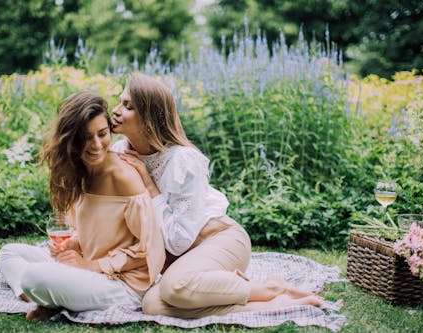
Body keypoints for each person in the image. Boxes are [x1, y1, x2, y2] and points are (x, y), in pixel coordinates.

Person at [111, 73, 324, 318]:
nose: (116, 111)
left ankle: (267, 288)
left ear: (150, 118)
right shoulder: (119, 152)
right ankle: (274, 302)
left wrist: (148, 185)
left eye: (128, 106)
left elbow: (178, 241)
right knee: (153, 305)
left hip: (219, 239)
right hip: (183, 261)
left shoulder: (182, 160)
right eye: (119, 102)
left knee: (173, 287)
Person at [0, 91, 165, 322]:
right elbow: (91, 235)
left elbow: (148, 249)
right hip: (87, 264)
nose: (96, 145)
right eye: (86, 137)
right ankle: (41, 296)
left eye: (102, 134)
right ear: (71, 138)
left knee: (34, 276)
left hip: (122, 283)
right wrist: (70, 246)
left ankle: (47, 295)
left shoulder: (122, 177)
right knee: (9, 253)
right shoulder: (76, 171)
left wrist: (91, 265)